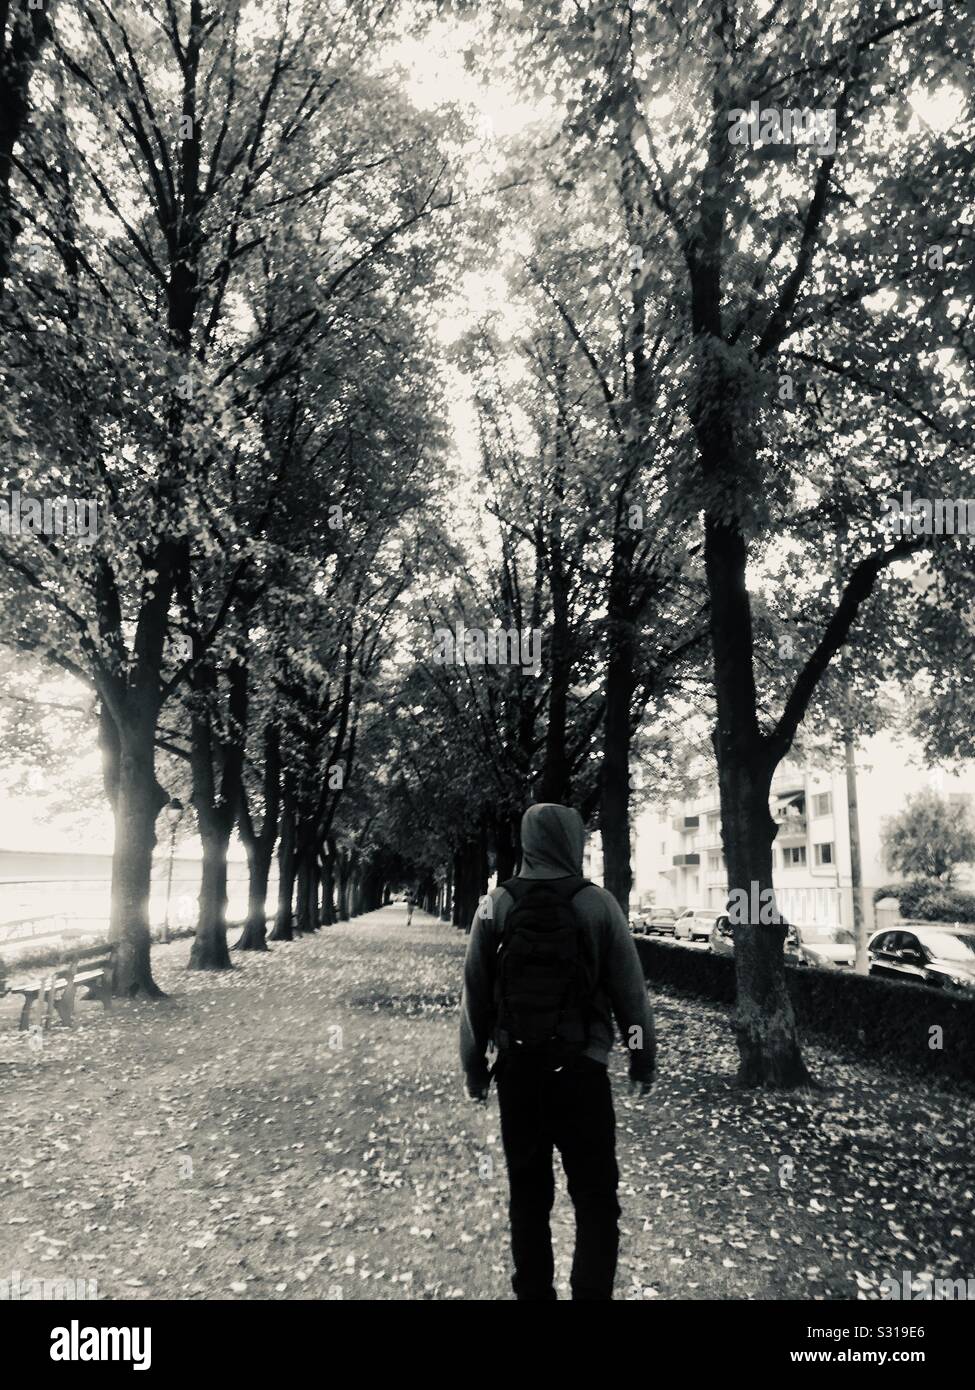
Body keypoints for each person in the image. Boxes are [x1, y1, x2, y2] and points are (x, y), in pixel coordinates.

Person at [459, 802, 656, 1301]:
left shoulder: (496, 904)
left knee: (528, 1198)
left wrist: (475, 1070)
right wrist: (641, 1058)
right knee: (595, 1200)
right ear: (572, 840)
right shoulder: (599, 904)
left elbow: (475, 994)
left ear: (526, 840)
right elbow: (630, 994)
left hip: (518, 1072)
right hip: (582, 1072)